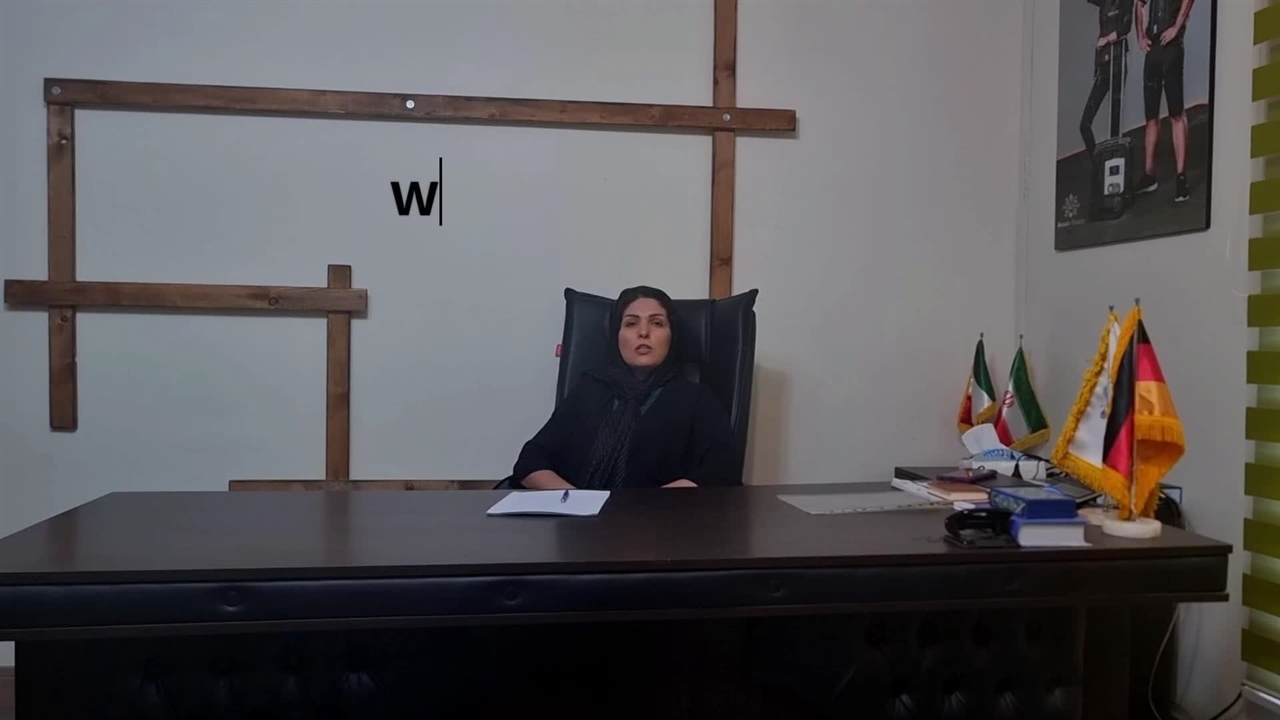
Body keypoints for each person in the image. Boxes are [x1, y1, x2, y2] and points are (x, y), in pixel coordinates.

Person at [503, 285, 740, 490]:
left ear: (672, 336)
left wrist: (653, 506)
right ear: (616, 335)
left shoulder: (696, 398)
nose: (643, 333)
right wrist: (575, 501)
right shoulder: (589, 390)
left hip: (662, 524)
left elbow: (722, 470)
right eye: (631, 323)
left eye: (657, 323)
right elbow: (531, 461)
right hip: (581, 522)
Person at [1134, 0, 1194, 203]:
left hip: (1172, 48)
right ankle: (1149, 175)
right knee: (1151, 118)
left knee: (1176, 114)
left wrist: (1176, 27)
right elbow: (1139, 4)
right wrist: (1140, 36)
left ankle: (1181, 177)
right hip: (1153, 50)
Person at [1079, 0, 1134, 160]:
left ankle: (1115, 163)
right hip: (1103, 65)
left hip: (1117, 62)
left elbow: (1125, 28)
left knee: (1115, 121)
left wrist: (1107, 39)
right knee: (1084, 124)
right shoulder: (1104, 2)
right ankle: (1097, 163)